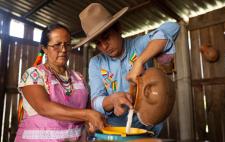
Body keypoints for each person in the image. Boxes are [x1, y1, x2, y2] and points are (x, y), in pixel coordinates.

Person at [74, 3, 180, 136]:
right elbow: (96, 101)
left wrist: (140, 61)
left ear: (118, 29)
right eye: (98, 43)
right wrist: (112, 100)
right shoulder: (96, 63)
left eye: (106, 37)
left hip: (149, 128)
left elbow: (173, 28)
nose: (104, 46)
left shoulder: (138, 46)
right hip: (115, 131)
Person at [15, 23, 105, 142]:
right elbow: (44, 107)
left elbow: (87, 112)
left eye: (67, 45)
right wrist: (87, 115)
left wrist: (90, 123)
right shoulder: (33, 75)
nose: (63, 50)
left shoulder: (79, 78)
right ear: (45, 49)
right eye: (57, 45)